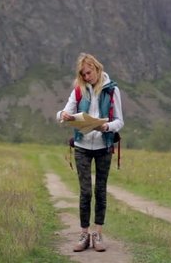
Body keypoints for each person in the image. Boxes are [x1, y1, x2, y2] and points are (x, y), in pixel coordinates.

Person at [57, 53, 124, 252]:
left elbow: (120, 121)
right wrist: (64, 115)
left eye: (90, 72)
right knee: (85, 192)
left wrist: (107, 127)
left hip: (104, 146)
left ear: (97, 68)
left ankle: (98, 234)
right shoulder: (78, 90)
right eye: (83, 74)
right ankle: (84, 234)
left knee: (100, 191)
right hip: (82, 147)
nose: (87, 77)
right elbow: (60, 114)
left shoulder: (112, 90)